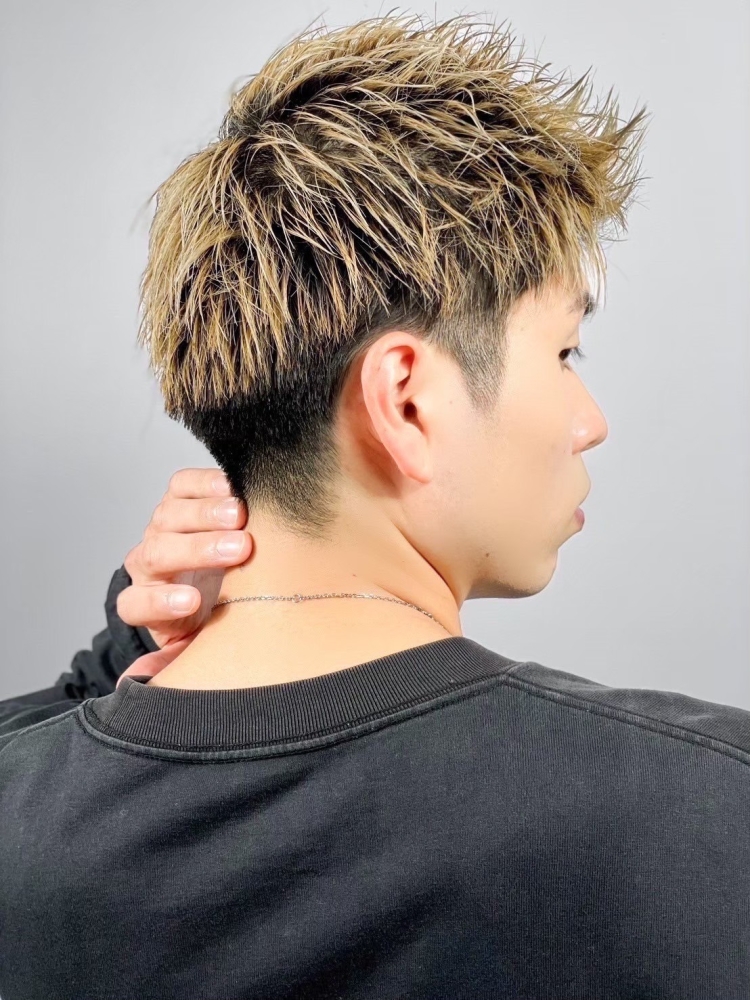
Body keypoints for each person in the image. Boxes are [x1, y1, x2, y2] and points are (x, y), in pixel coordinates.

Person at [1, 13, 748, 999]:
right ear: (406, 401)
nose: (591, 421)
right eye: (565, 351)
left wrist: (122, 651)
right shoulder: (710, 811)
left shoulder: (21, 808)